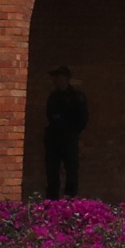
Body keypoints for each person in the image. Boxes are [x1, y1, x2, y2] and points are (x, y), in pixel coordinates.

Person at [43, 66, 90, 198]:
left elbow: (83, 119)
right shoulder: (53, 97)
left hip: (69, 139)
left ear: (65, 78)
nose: (56, 80)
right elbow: (50, 115)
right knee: (52, 172)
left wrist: (71, 131)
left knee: (71, 171)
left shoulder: (77, 97)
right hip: (53, 139)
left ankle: (69, 200)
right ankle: (52, 202)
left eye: (58, 77)